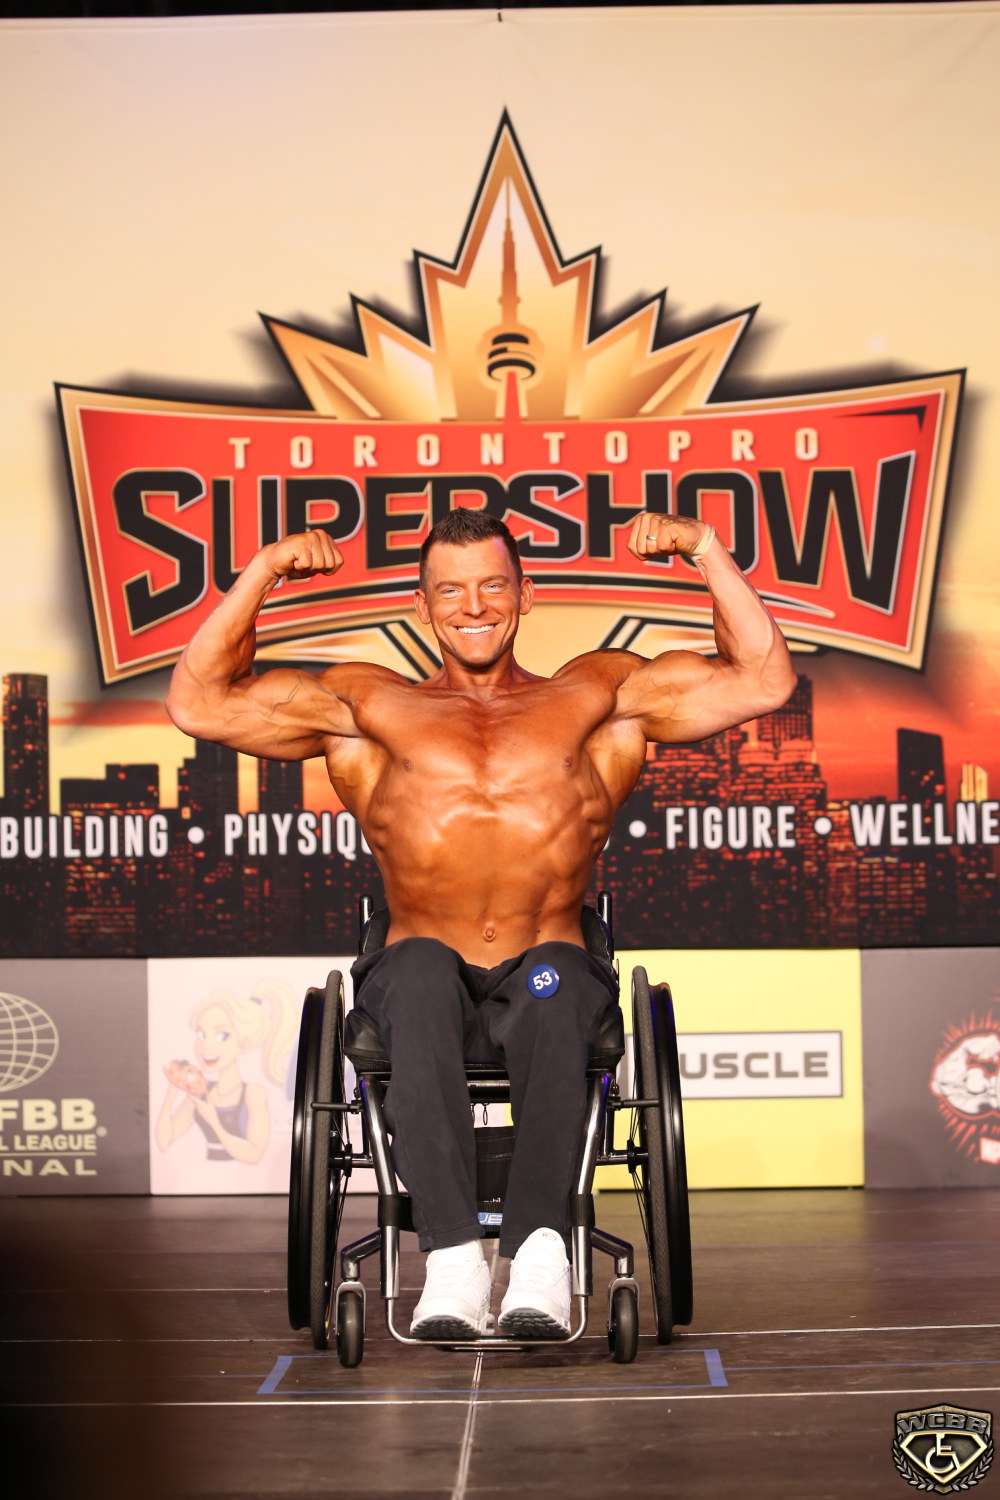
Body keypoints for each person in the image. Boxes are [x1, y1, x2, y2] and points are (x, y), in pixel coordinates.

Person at [166, 506, 795, 1339]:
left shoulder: (597, 696)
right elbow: (200, 702)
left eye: (493, 586)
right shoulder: (366, 704)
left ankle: (538, 1253)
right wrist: (264, 571)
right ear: (421, 605)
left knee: (556, 981)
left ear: (525, 595)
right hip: (419, 969)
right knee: (422, 970)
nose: (473, 606)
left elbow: (762, 680)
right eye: (450, 591)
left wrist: (706, 549)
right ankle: (454, 1259)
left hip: (548, 964)